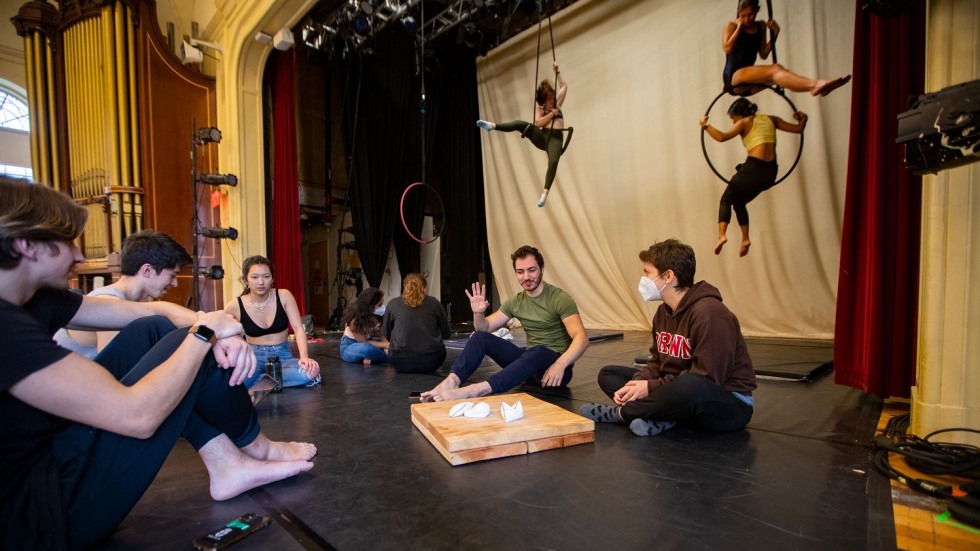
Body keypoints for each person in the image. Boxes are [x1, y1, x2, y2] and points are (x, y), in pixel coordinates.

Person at [0, 178, 315, 549]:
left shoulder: (36, 301)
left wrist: (219, 327)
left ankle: (229, 462)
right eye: (68, 241)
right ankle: (256, 449)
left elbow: (152, 313)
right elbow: (138, 416)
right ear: (27, 245)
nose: (79, 256)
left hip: (50, 456)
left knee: (153, 328)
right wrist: (202, 335)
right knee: (188, 343)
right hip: (37, 517)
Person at [580, 239, 756, 437]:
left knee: (690, 386)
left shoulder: (709, 312)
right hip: (675, 389)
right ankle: (665, 417)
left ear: (668, 276)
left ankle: (624, 413)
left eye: (647, 272)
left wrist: (651, 388)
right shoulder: (663, 312)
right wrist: (639, 383)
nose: (643, 279)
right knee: (609, 374)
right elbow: (656, 361)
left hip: (726, 402)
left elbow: (708, 378)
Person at [421, 245, 589, 402]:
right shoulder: (515, 302)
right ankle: (452, 381)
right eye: (520, 272)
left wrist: (560, 364)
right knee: (480, 337)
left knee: (538, 351)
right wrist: (478, 313)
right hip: (528, 367)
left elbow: (582, 338)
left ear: (542, 269)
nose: (526, 277)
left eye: (532, 270)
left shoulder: (559, 298)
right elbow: (484, 328)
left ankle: (478, 390)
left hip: (556, 373)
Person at [54, 228, 193, 356]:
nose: (175, 284)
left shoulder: (137, 302)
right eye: (173, 275)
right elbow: (116, 372)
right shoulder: (108, 302)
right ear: (147, 270)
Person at [700, 97, 807, 256]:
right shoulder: (771, 119)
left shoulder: (744, 122)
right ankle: (745, 239)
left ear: (740, 114)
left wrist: (705, 125)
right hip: (770, 173)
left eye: (732, 118)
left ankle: (721, 236)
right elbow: (799, 129)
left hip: (753, 168)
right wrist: (803, 118)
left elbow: (722, 137)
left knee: (726, 200)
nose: (733, 122)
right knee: (740, 203)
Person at [476, 60, 568, 207]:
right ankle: (492, 126)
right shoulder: (542, 108)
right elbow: (538, 123)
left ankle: (544, 193)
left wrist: (557, 72)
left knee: (554, 161)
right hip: (542, 136)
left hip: (555, 139)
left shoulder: (558, 103)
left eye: (552, 97)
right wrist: (552, 113)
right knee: (519, 123)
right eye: (549, 99)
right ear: (543, 101)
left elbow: (564, 86)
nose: (552, 100)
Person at [224, 255, 320, 388]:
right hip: (253, 357)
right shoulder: (234, 305)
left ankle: (264, 381)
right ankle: (272, 379)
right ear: (245, 280)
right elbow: (223, 336)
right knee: (234, 383)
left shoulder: (284, 295)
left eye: (266, 276)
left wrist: (304, 357)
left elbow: (298, 328)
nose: (261, 282)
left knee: (311, 372)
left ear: (273, 279)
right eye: (254, 277)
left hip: (282, 355)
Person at [722, 0, 850, 97]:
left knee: (781, 76)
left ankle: (815, 87)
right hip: (733, 78)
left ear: (757, 10)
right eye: (742, 15)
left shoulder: (760, 26)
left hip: (748, 87)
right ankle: (815, 84)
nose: (746, 19)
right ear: (738, 14)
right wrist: (739, 27)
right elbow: (727, 48)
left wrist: (775, 33)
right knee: (776, 68)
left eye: (750, 15)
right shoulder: (732, 25)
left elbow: (764, 54)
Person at [382, 273, 451, 373]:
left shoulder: (393, 304)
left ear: (405, 287)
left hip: (400, 360)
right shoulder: (434, 303)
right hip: (432, 360)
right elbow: (447, 334)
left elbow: (387, 334)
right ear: (424, 288)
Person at [339, 287, 389, 364]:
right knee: (367, 349)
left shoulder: (378, 316)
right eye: (379, 305)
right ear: (370, 306)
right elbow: (364, 342)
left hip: (370, 342)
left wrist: (387, 346)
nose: (382, 307)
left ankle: (370, 357)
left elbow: (382, 335)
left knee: (392, 343)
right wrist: (387, 346)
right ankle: (386, 358)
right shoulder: (355, 320)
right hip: (352, 345)